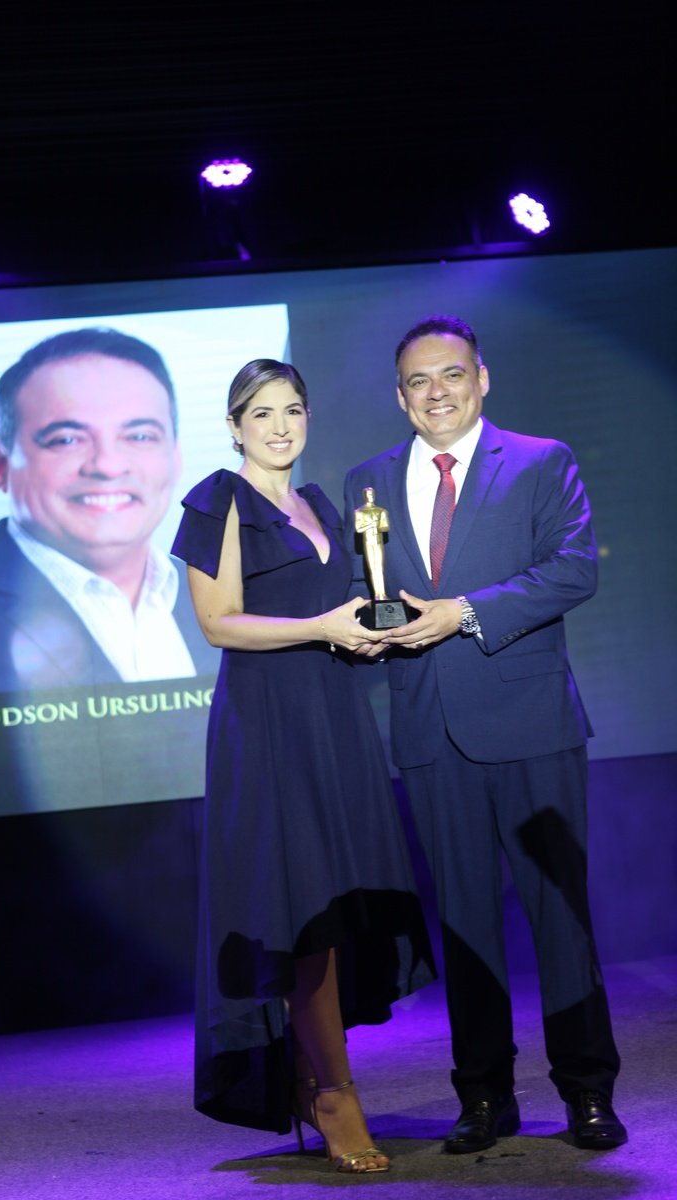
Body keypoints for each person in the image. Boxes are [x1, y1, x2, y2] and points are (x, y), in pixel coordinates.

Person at [343, 314, 626, 1154]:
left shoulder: (541, 461)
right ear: (401, 397)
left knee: (560, 916)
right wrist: (359, 632)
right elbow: (366, 593)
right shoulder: (368, 481)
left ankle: (587, 1091)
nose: (437, 392)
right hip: (429, 730)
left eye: (452, 374)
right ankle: (483, 1096)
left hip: (532, 724)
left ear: (482, 379)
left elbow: (573, 569)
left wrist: (463, 612)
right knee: (464, 923)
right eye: (419, 381)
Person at [171, 359, 435, 1172]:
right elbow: (218, 623)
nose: (280, 426)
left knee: (339, 904)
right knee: (305, 910)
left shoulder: (321, 503)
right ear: (234, 426)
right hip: (269, 724)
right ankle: (333, 1094)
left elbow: (342, 608)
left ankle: (309, 1076)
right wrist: (323, 626)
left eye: (292, 410)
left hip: (334, 715)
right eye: (261, 413)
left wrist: (366, 634)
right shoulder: (219, 499)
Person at [0, 327, 216, 699]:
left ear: (174, 457)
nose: (107, 465)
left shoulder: (230, 596)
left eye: (140, 436)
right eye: (66, 440)